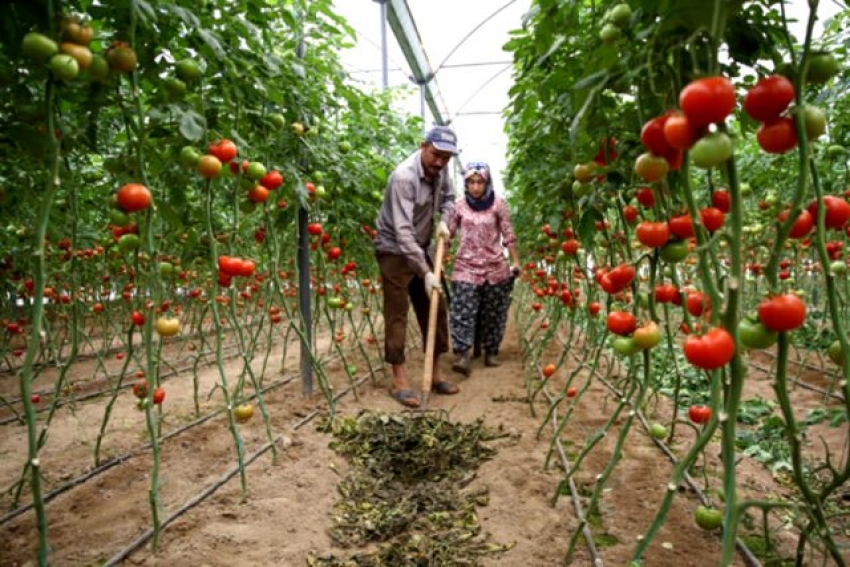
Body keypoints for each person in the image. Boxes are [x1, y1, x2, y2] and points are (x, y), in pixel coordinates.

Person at [374, 125, 461, 408]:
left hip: (421, 246)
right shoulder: (403, 178)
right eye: (436, 154)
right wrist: (424, 272)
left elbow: (449, 198)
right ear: (423, 146)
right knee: (397, 312)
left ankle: (434, 375)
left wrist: (446, 221)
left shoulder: (441, 170)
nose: (440, 162)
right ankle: (399, 380)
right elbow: (402, 232)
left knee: (435, 309)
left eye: (446, 158)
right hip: (393, 250)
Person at [446, 161, 520, 375]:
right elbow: (448, 235)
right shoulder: (459, 206)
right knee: (462, 310)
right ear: (465, 184)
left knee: (493, 311)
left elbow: (508, 234)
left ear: (487, 182)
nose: (476, 187)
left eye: (479, 182)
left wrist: (515, 261)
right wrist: (438, 261)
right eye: (471, 182)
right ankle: (463, 355)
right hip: (466, 266)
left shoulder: (498, 204)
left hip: (495, 266)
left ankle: (491, 351)